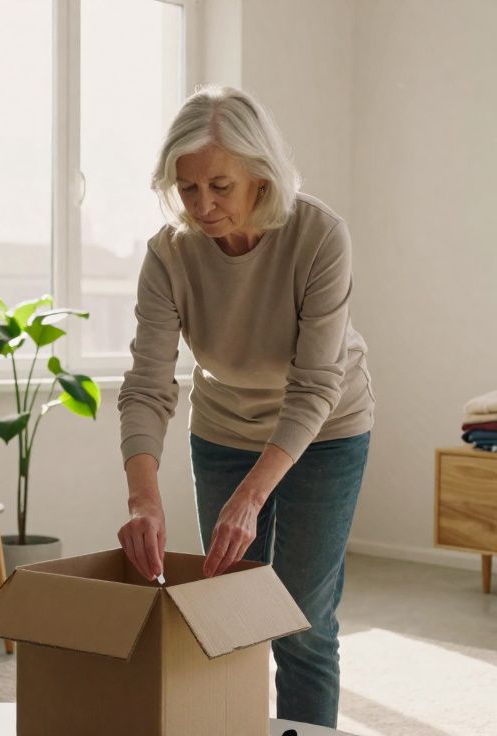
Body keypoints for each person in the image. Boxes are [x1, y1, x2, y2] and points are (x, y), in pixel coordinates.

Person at [115, 86, 375, 729]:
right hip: (226, 428)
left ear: (260, 174)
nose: (202, 206)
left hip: (326, 430)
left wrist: (252, 499)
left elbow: (315, 384)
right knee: (228, 612)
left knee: (302, 621)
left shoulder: (319, 236)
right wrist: (143, 498)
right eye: (187, 188)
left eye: (220, 187)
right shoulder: (167, 253)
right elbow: (148, 383)